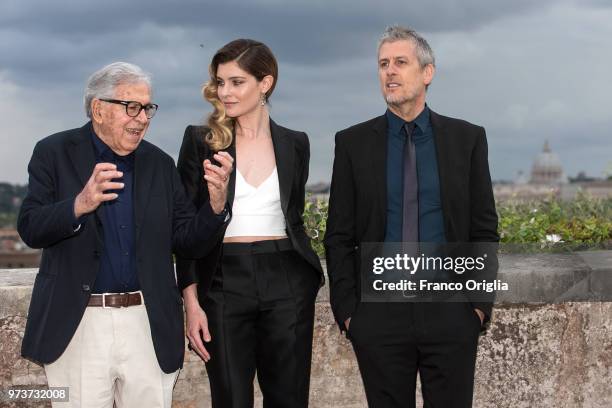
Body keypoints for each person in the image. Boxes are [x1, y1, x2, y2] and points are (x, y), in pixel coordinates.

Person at [17, 62, 233, 408]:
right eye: (131, 107)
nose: (142, 118)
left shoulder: (160, 164)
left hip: (147, 322)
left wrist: (216, 205)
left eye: (148, 108)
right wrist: (80, 204)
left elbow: (188, 240)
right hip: (79, 323)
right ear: (98, 109)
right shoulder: (54, 152)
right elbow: (30, 227)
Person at [324, 26, 499, 407]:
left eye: (400, 62)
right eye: (383, 64)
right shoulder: (352, 143)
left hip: (451, 310)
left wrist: (478, 307)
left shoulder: (466, 139)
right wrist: (349, 312)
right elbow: (338, 234)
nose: (390, 72)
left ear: (427, 73)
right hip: (377, 314)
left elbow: (484, 227)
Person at [176, 39, 323, 408]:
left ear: (265, 83)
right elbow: (184, 231)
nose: (225, 92)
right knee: (230, 399)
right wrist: (191, 301)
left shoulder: (296, 143)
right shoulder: (200, 141)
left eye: (236, 82)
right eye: (220, 82)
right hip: (223, 281)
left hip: (287, 277)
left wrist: (304, 284)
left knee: (289, 400)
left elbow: (294, 217)